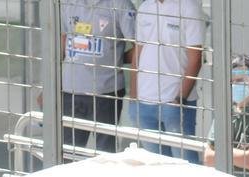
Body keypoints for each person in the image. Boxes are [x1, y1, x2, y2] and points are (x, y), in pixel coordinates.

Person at [132, 0, 205, 163]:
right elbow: (137, 54)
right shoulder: (145, 7)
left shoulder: (188, 7)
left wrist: (180, 99)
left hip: (175, 103)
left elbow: (196, 58)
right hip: (145, 103)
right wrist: (133, 99)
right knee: (155, 166)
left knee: (185, 167)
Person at [60, 0, 137, 152]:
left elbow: (141, 47)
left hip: (105, 93)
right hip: (70, 92)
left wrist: (117, 58)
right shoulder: (66, 3)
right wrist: (49, 87)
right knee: (68, 154)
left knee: (105, 154)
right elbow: (61, 44)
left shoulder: (121, 5)